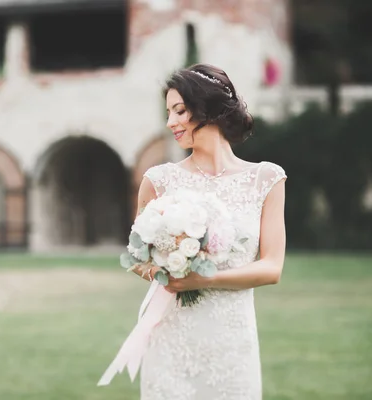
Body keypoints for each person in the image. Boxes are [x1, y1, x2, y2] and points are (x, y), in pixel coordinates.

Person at [134, 64, 287, 399]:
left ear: (208, 109)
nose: (170, 122)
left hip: (232, 340)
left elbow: (272, 267)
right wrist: (168, 269)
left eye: (179, 111)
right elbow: (137, 258)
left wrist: (203, 279)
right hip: (171, 337)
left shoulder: (266, 179)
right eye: (168, 113)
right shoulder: (159, 181)